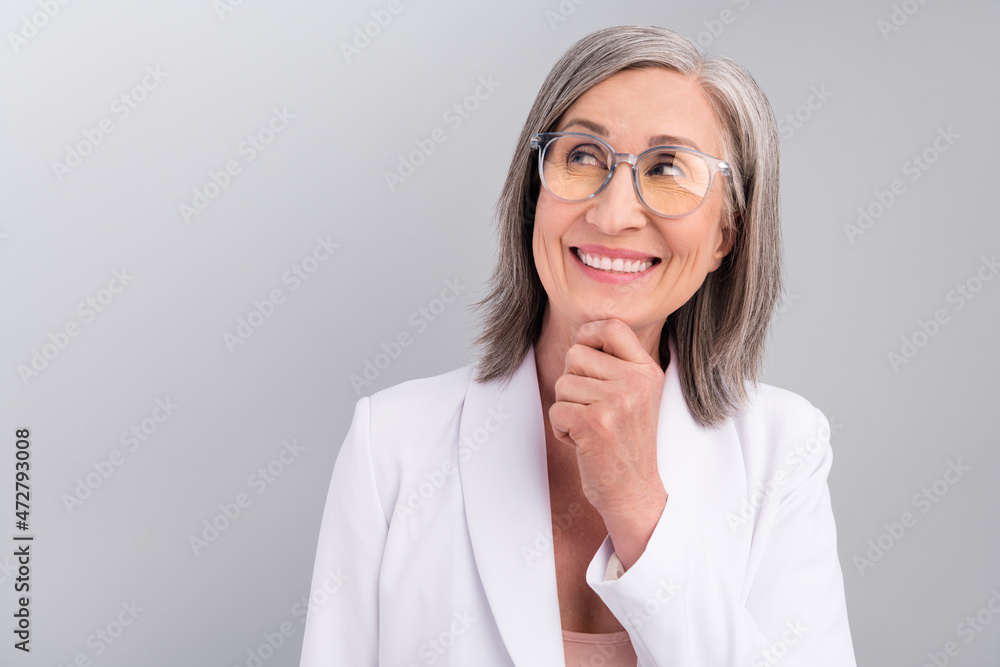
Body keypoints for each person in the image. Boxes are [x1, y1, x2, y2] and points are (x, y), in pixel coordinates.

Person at [299, 25, 856, 667]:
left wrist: (639, 503)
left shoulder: (784, 450)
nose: (613, 213)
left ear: (726, 236)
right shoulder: (391, 444)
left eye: (668, 169)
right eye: (583, 156)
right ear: (535, 193)